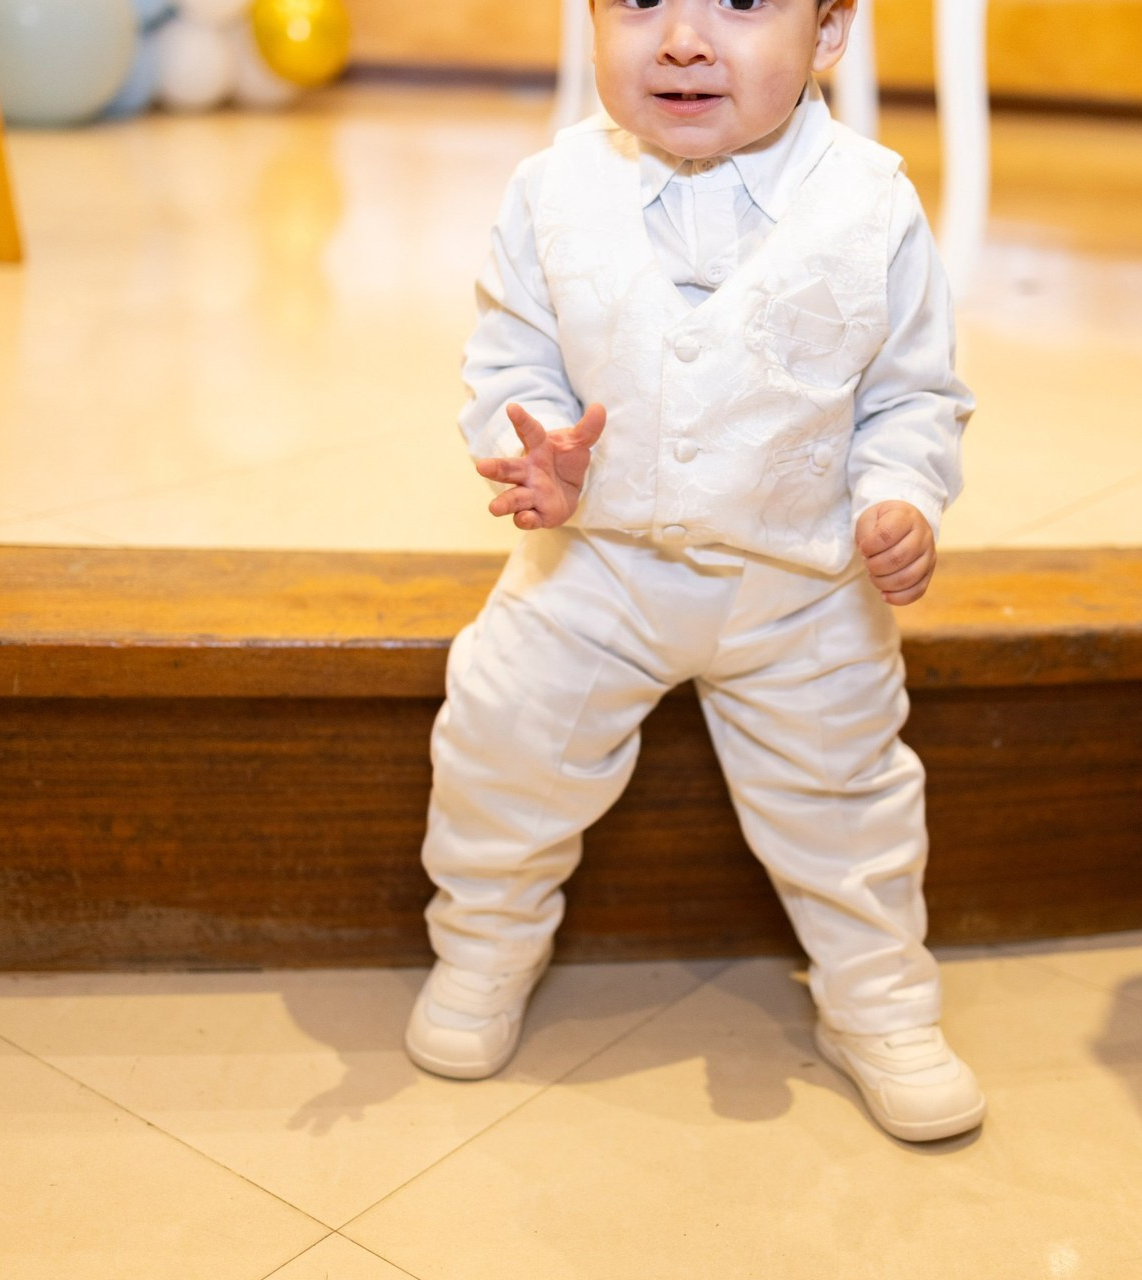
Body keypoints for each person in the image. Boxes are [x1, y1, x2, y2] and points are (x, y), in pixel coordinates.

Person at [405, 0, 985, 1143]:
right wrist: (542, 448)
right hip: (594, 564)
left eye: (736, 1)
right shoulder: (550, 189)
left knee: (847, 796)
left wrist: (899, 495)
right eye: (633, 1)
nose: (678, 40)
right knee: (501, 734)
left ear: (827, 35)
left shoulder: (870, 203)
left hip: (803, 583)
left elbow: (911, 390)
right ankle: (484, 942)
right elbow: (510, 350)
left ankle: (877, 999)